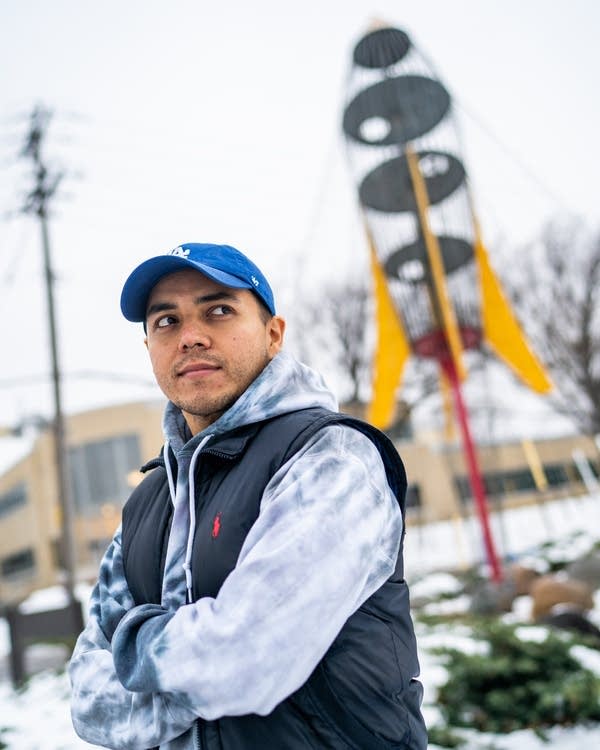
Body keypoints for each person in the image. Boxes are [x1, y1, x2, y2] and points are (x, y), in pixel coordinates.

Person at [69, 242, 427, 750]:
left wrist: (135, 651)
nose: (190, 337)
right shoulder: (146, 501)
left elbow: (245, 661)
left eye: (218, 310)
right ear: (148, 346)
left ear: (273, 334)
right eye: (166, 321)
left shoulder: (330, 457)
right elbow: (87, 700)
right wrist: (200, 663)